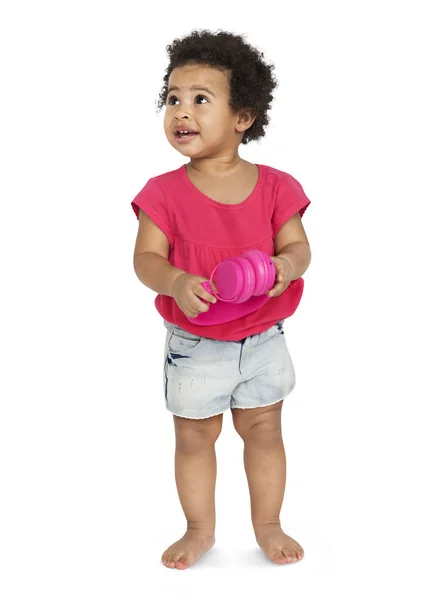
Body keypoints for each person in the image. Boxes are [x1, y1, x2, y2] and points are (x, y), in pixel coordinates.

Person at [131, 29, 312, 569]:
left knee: (264, 431)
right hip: (195, 343)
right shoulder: (162, 193)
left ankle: (269, 523)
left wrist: (285, 266)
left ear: (243, 117)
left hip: (263, 339)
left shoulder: (277, 186)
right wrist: (175, 281)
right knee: (194, 437)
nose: (181, 111)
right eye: (173, 98)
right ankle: (199, 529)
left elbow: (300, 249)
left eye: (200, 99)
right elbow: (145, 260)